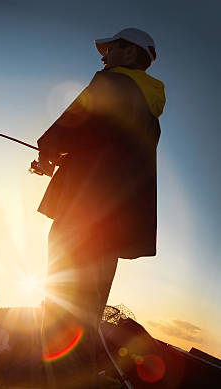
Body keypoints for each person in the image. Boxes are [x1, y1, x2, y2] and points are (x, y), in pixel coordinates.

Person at [33, 28, 166, 388]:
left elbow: (73, 124)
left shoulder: (110, 83)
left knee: (64, 300)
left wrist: (48, 152)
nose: (103, 56)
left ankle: (59, 380)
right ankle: (83, 376)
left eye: (111, 49)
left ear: (129, 53)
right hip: (117, 220)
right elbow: (109, 146)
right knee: (90, 307)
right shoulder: (150, 111)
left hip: (83, 209)